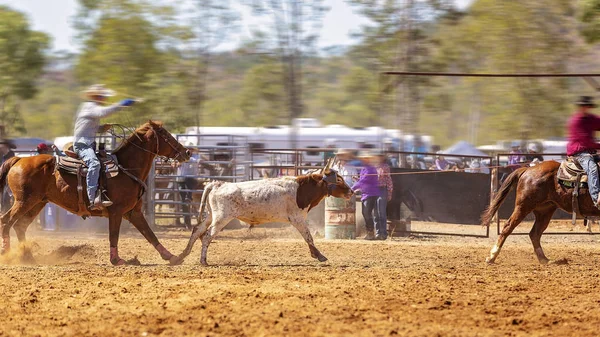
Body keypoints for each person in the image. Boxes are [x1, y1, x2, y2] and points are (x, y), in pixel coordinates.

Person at [73, 84, 136, 210]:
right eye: (102, 96)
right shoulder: (89, 106)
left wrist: (102, 128)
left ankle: (104, 192)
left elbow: (92, 128)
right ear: (96, 96)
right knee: (94, 164)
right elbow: (103, 112)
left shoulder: (91, 108)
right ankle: (92, 198)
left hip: (88, 144)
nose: (104, 98)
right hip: (82, 144)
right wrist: (120, 104)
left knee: (108, 162)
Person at [567, 96, 600, 209]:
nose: (585, 108)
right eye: (583, 106)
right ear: (580, 107)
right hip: (579, 152)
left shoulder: (591, 118)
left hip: (590, 151)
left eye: (587, 106)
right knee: (592, 168)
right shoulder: (576, 121)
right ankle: (596, 199)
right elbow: (586, 140)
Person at [352, 151, 383, 240]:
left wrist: (352, 188)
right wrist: (357, 179)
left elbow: (363, 181)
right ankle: (370, 232)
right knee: (366, 213)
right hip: (367, 193)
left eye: (365, 158)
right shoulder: (365, 168)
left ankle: (370, 233)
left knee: (366, 213)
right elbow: (363, 180)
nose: (363, 160)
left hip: (370, 194)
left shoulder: (370, 169)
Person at [374, 151, 393, 240]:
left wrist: (389, 192)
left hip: (382, 189)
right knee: (375, 213)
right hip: (374, 190)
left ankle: (383, 233)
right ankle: (378, 232)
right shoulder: (373, 167)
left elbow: (388, 180)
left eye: (380, 156)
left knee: (381, 212)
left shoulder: (385, 167)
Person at [0, 139, 16, 214]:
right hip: (5, 180)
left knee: (7, 198)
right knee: (4, 199)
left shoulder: (10, 155)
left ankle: (7, 214)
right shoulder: (4, 156)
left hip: (8, 180)